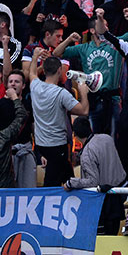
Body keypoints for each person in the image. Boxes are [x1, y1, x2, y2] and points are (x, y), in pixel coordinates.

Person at [29, 49, 89, 186]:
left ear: (44, 70)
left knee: (67, 175)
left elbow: (32, 73)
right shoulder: (61, 93)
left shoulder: (35, 86)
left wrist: (35, 56)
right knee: (52, 183)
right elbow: (84, 110)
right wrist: (83, 92)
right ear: (59, 70)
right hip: (57, 145)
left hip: (41, 145)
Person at [65, 117, 127, 233]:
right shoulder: (107, 138)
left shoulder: (87, 154)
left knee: (102, 239)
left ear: (75, 135)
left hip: (102, 205)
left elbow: (92, 181)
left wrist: (71, 183)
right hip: (117, 197)